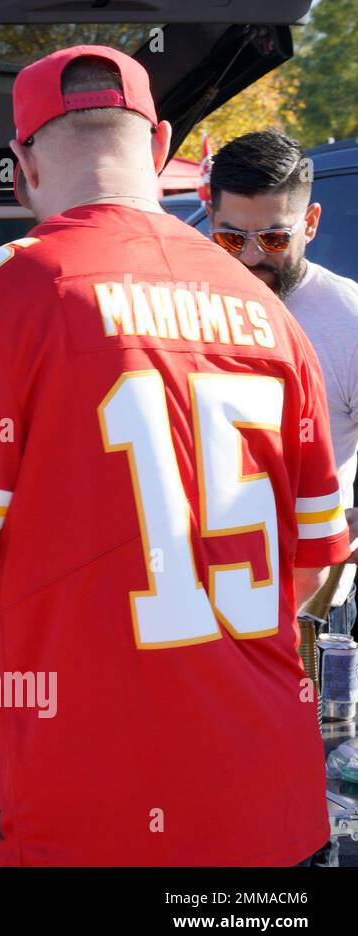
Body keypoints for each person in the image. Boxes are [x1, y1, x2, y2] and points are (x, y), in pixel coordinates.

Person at [0, 45, 351, 865]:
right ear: (164, 144)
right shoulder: (270, 310)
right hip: (264, 794)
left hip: (82, 798)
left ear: (22, 163)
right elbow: (311, 565)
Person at [207, 129, 358, 637]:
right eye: (231, 238)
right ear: (210, 221)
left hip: (309, 611)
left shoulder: (349, 319)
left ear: (310, 223)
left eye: (274, 238)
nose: (251, 258)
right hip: (195, 606)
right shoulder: (178, 309)